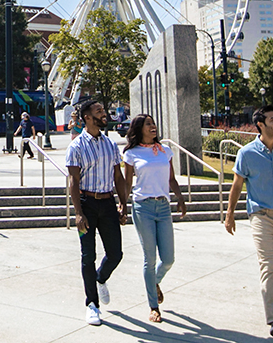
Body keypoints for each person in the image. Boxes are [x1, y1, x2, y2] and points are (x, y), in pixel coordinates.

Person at [224, 105, 273, 338]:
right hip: (261, 215)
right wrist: (229, 214)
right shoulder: (247, 153)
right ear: (260, 124)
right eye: (272, 120)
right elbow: (237, 185)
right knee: (268, 265)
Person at [65, 98, 129, 326]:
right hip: (87, 203)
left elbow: (118, 177)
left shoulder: (110, 145)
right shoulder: (76, 147)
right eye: (99, 112)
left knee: (116, 254)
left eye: (103, 111)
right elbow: (73, 180)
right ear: (87, 118)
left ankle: (101, 279)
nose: (104, 114)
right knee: (87, 256)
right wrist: (78, 212)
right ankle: (92, 304)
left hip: (108, 203)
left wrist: (123, 203)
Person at [121, 114, 186, 323]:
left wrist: (180, 198)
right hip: (143, 207)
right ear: (139, 128)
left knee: (168, 259)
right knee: (149, 259)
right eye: (149, 124)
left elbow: (171, 179)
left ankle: (154, 282)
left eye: (154, 123)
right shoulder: (131, 154)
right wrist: (123, 205)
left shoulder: (165, 151)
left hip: (164, 207)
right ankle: (153, 307)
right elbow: (127, 183)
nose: (153, 127)